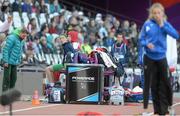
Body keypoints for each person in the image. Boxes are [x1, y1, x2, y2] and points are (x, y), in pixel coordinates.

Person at [139, 3, 179, 115]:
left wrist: (163, 26)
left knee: (164, 84)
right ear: (152, 14)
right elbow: (141, 40)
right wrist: (147, 44)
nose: (157, 15)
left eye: (159, 13)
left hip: (163, 58)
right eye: (155, 13)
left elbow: (176, 36)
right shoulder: (147, 25)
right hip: (150, 58)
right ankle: (158, 110)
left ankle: (167, 108)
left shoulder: (166, 25)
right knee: (154, 84)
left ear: (162, 13)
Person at [1, 27, 28, 92]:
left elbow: (19, 51)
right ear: (19, 32)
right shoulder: (12, 37)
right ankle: (4, 95)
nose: (24, 36)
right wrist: (5, 61)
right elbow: (5, 49)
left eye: (26, 34)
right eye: (23, 34)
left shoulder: (21, 40)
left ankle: (10, 95)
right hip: (8, 62)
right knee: (6, 79)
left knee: (14, 79)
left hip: (14, 62)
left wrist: (18, 60)